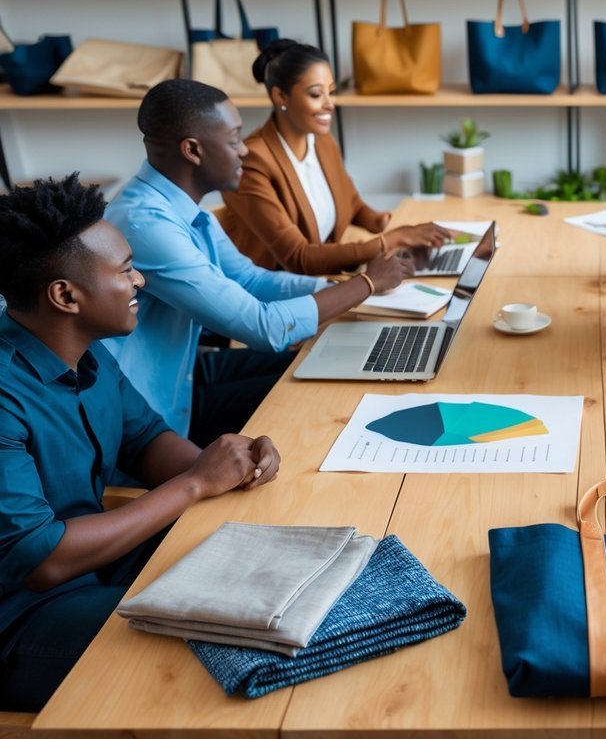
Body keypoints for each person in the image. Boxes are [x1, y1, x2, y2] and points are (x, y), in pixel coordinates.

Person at [0, 175, 282, 712]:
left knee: (273, 568)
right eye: (124, 269)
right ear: (65, 296)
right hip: (26, 620)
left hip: (105, 570)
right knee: (235, 636)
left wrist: (228, 463)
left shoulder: (86, 349)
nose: (140, 281)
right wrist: (196, 484)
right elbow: (43, 560)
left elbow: (145, 439)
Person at [105, 79, 410, 447]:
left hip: (182, 374)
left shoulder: (178, 208)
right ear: (193, 150)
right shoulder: (146, 225)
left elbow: (249, 280)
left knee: (332, 367)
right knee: (319, 398)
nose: (245, 151)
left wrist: (338, 290)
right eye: (235, 139)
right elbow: (264, 328)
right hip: (154, 419)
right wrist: (365, 285)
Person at [219, 39, 451, 275]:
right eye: (316, 94)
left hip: (325, 277)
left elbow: (351, 202)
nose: (330, 105)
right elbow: (298, 257)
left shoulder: (322, 141)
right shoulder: (251, 163)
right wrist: (389, 241)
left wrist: (381, 222)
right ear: (281, 97)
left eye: (331, 92)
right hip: (275, 296)